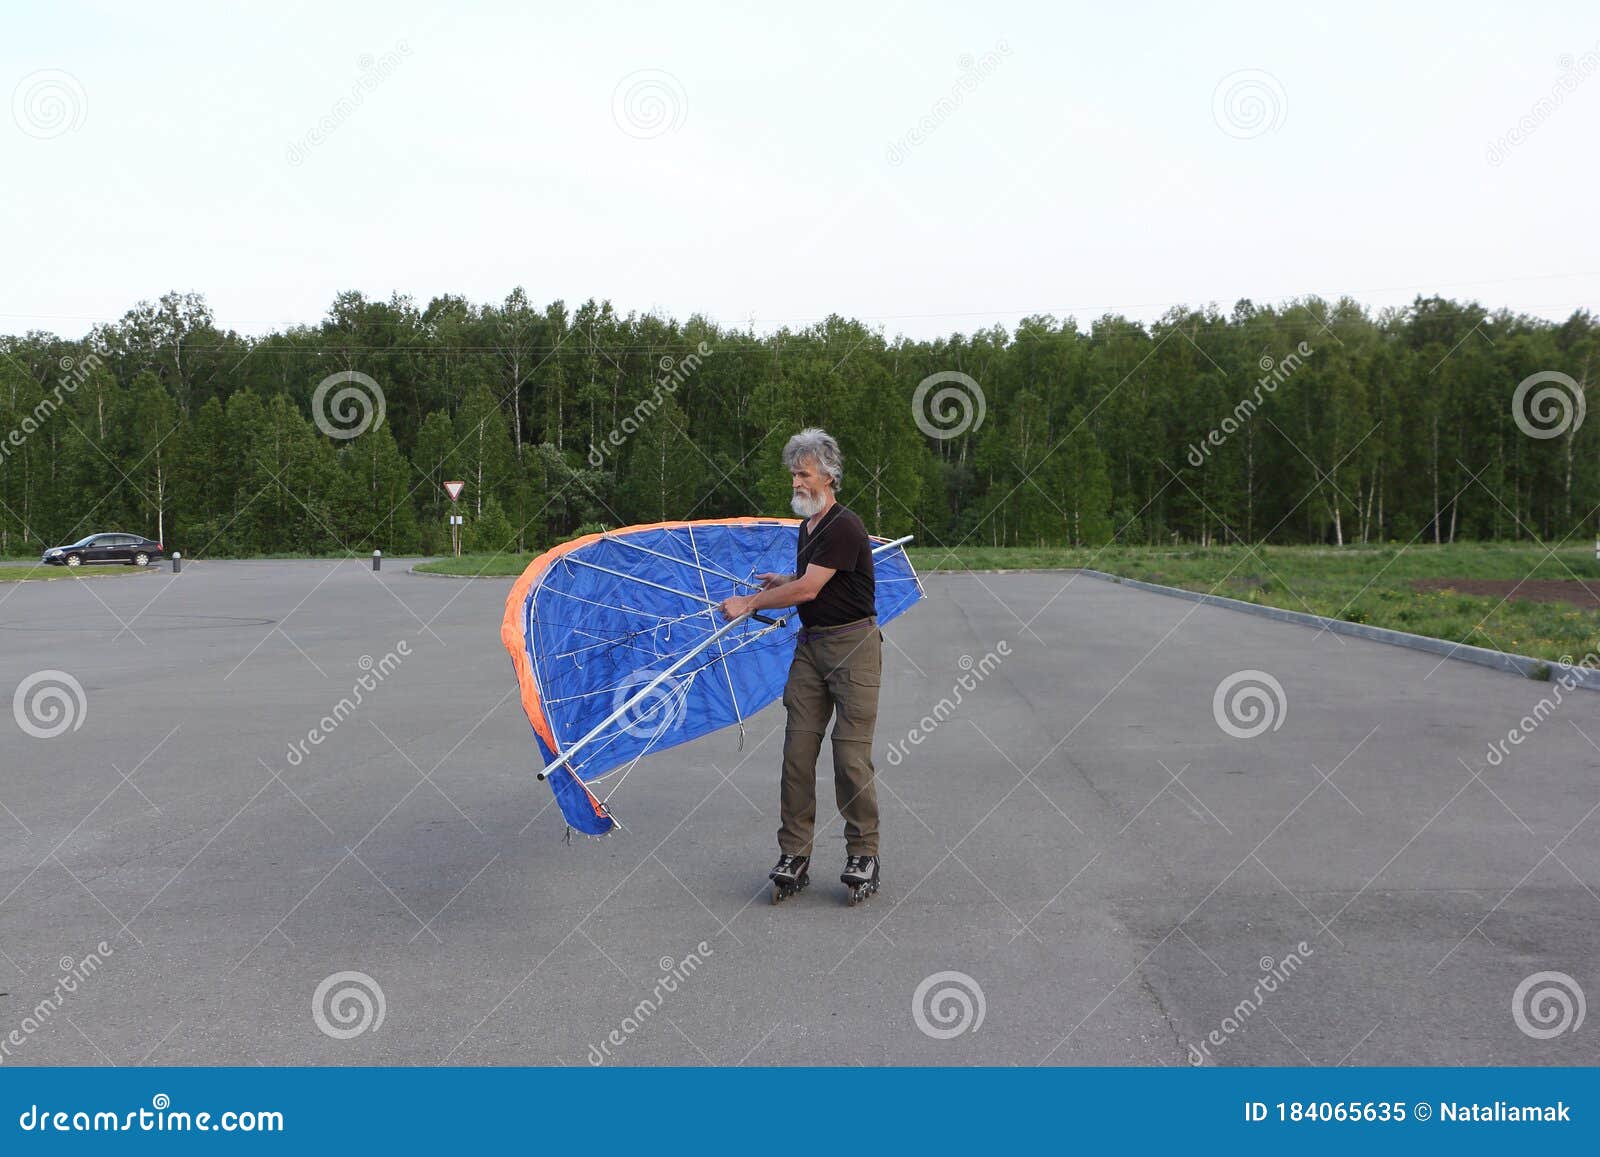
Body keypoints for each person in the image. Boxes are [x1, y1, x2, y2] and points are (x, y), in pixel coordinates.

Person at [718, 428, 883, 904]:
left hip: (854, 649)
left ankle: (863, 853)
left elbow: (810, 591)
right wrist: (785, 580)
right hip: (811, 649)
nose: (796, 483)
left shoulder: (844, 525)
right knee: (797, 755)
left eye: (804, 474)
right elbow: (813, 582)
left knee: (850, 756)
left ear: (829, 477)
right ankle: (795, 854)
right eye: (793, 474)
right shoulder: (808, 527)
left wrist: (752, 600)